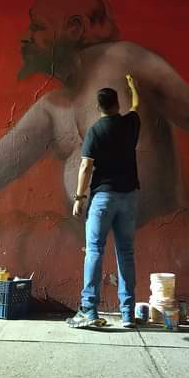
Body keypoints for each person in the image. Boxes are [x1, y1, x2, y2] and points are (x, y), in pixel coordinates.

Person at [0, 0, 189, 228]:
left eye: (37, 27)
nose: (26, 37)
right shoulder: (51, 107)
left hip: (155, 247)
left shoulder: (126, 59)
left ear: (74, 28)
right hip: (93, 252)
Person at [67, 76, 140, 328]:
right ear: (117, 103)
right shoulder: (131, 124)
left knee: (95, 251)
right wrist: (133, 87)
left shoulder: (95, 131)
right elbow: (136, 106)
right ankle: (128, 314)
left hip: (102, 198)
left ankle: (89, 310)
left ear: (98, 108)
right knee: (126, 253)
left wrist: (79, 197)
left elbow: (86, 166)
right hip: (129, 197)